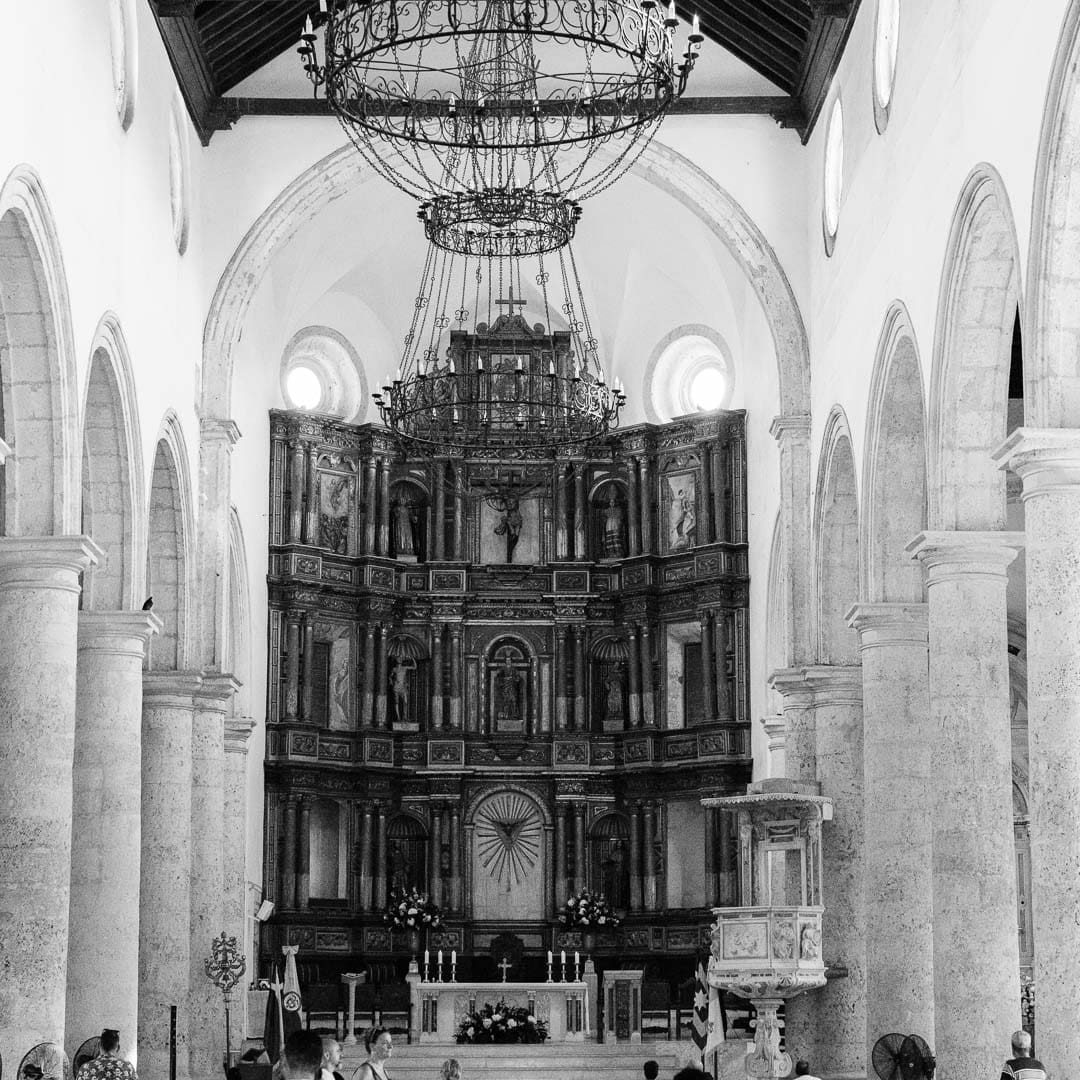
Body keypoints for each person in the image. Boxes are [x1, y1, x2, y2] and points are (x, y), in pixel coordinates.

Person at [494, 497, 523, 562]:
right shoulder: (508, 517)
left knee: (514, 537)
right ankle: (509, 559)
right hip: (511, 524)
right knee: (512, 538)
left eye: (511, 503)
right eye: (508, 503)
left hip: (515, 524)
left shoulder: (517, 515)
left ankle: (509, 558)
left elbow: (517, 525)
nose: (509, 504)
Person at [602, 490, 626, 558]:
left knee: (616, 539)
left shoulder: (619, 510)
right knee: (610, 539)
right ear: (609, 503)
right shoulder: (606, 511)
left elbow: (621, 518)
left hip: (616, 525)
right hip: (609, 526)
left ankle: (618, 552)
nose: (612, 503)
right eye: (611, 502)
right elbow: (604, 519)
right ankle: (611, 553)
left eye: (613, 502)